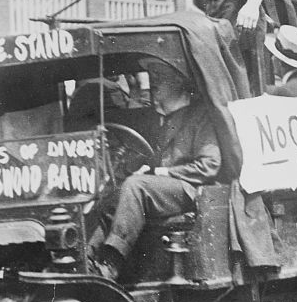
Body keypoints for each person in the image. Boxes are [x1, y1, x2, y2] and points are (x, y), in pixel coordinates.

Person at [90, 60, 221, 280]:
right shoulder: (160, 119)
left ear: (180, 80)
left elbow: (210, 166)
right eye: (151, 74)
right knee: (111, 196)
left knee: (136, 186)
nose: (154, 81)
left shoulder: (201, 116)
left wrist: (162, 173)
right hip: (166, 191)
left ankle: (112, 262)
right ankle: (86, 259)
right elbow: (152, 160)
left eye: (160, 74)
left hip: (193, 191)